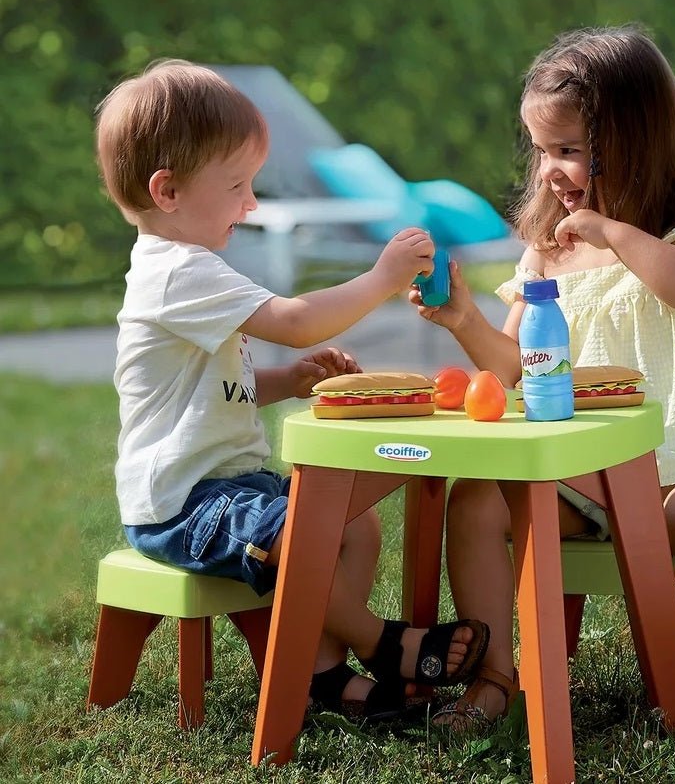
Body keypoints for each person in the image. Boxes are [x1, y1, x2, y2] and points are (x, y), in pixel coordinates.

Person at [95, 59, 489, 722]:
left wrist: (288, 378)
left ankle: (322, 673)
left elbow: (219, 388)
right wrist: (383, 275)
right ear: (167, 191)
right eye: (236, 185)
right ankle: (381, 642)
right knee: (304, 532)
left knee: (351, 522)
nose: (251, 203)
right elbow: (297, 318)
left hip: (230, 485)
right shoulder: (178, 271)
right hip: (180, 503)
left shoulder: (191, 269)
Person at [410, 26, 675, 727]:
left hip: (668, 472)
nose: (547, 171)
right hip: (577, 476)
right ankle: (492, 676)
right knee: (475, 499)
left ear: (632, 143)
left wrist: (615, 235)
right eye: (540, 151)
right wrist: (462, 319)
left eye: (566, 151)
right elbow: (512, 367)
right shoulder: (543, 258)